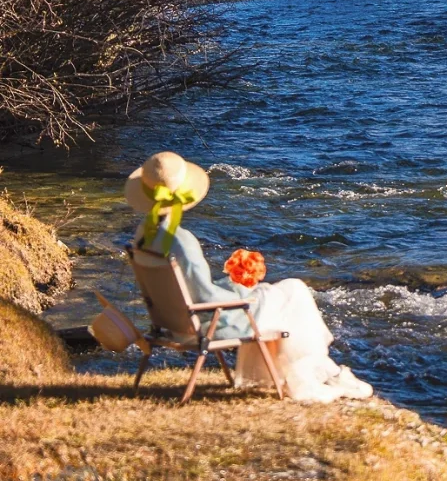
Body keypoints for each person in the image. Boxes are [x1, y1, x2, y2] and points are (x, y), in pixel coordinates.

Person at [125, 150, 373, 404]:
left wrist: (230, 284)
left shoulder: (143, 235)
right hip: (211, 322)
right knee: (295, 291)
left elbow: (190, 290)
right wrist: (242, 292)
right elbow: (204, 296)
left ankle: (318, 372)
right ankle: (313, 375)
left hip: (173, 323)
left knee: (284, 291)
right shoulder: (181, 242)